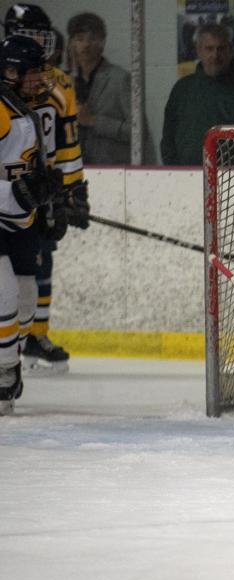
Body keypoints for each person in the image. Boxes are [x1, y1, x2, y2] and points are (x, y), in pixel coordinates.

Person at [5, 4, 88, 374]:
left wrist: (72, 190)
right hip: (10, 192)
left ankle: (33, 335)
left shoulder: (58, 83)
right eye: (32, 36)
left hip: (42, 189)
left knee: (39, 259)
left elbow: (67, 144)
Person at [0, 35, 65, 414]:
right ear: (11, 72)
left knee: (25, 299)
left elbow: (38, 168)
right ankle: (4, 371)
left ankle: (8, 364)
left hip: (20, 220)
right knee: (4, 292)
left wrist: (51, 202)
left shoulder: (34, 110)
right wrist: (15, 193)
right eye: (33, 71)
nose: (40, 78)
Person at [161, 22, 234, 166]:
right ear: (199, 51)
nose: (215, 55)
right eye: (209, 48)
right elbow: (168, 136)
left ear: (230, 50)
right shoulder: (182, 89)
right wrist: (173, 170)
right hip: (184, 174)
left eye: (221, 48)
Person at [67, 12, 155, 165]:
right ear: (72, 43)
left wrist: (94, 121)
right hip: (75, 169)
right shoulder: (66, 82)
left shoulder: (120, 79)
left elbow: (140, 132)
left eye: (92, 39)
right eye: (80, 39)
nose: (86, 45)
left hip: (113, 170)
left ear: (103, 41)